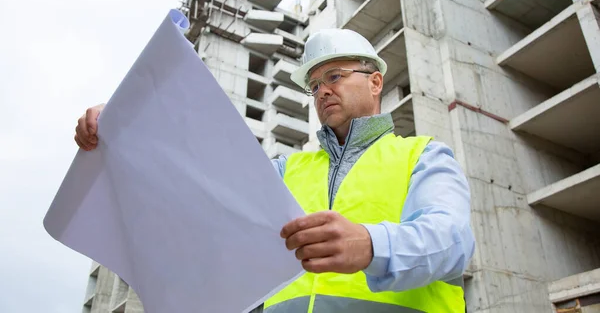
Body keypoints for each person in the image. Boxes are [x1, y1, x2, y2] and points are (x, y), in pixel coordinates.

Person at [75, 28, 475, 312]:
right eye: (314, 85)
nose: (322, 91)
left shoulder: (422, 156)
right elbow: (203, 187)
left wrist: (371, 245)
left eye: (334, 76)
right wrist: (128, 128)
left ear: (375, 82)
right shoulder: (287, 169)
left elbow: (452, 241)